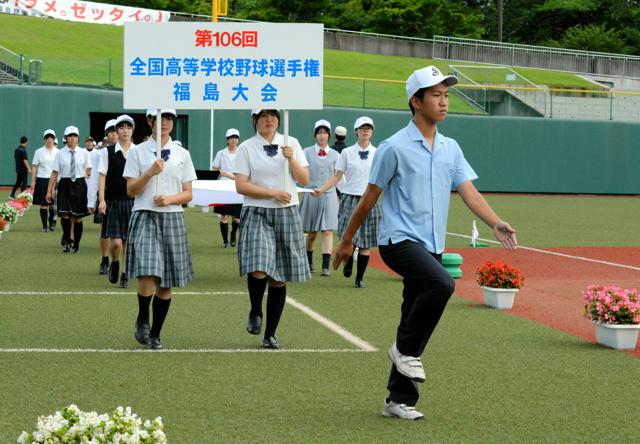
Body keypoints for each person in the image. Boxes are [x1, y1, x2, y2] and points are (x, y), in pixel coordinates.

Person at [334, 66, 518, 421]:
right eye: (436, 95)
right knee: (442, 283)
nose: (444, 101)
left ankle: (398, 400)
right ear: (415, 102)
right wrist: (346, 240)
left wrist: (495, 222)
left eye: (446, 95)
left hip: (430, 245)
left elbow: (468, 191)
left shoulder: (451, 148)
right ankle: (402, 351)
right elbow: (368, 199)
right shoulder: (394, 148)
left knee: (412, 315)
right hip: (398, 241)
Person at [234, 109, 310, 349]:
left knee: (279, 277)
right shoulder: (246, 147)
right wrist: (272, 193)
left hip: (287, 213)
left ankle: (270, 333)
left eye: (273, 115)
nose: (269, 119)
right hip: (257, 210)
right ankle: (256, 310)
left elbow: (304, 179)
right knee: (258, 266)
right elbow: (241, 185)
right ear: (254, 120)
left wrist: (291, 159)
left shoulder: (292, 143)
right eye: (263, 115)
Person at [124, 109, 197, 350]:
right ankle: (143, 318)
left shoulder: (182, 153)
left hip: (172, 217)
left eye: (168, 118)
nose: (164, 123)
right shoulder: (137, 151)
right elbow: (131, 190)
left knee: (167, 280)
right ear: (149, 121)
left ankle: (156, 333)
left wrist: (171, 199)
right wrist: (149, 172)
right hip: (144, 214)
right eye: (158, 118)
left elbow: (188, 192)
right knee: (147, 271)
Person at [314, 116, 380, 288]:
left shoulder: (378, 152)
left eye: (368, 128)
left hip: (370, 199)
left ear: (372, 131)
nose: (365, 131)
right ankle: (348, 262)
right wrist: (321, 189)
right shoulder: (346, 152)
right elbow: (337, 176)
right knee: (347, 237)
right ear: (355, 131)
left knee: (366, 241)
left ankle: (360, 278)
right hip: (349, 198)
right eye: (362, 128)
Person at [98, 115, 136, 289]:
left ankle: (125, 274)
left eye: (128, 127)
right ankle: (114, 261)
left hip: (133, 202)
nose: (125, 131)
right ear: (116, 131)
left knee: (128, 242)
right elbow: (102, 175)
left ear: (132, 130)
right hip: (113, 201)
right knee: (116, 243)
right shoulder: (107, 152)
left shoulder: (138, 151)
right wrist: (101, 200)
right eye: (121, 128)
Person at [299, 119, 339, 276]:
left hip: (329, 196)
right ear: (315, 135)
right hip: (311, 195)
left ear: (329, 135)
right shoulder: (306, 152)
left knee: (328, 231)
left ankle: (325, 266)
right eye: (319, 133)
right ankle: (308, 261)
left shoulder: (336, 154)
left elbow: (338, 176)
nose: (322, 136)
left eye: (325, 133)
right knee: (312, 233)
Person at [46, 126, 91, 253]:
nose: (72, 138)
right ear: (65, 138)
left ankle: (76, 244)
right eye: (70, 136)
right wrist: (49, 191)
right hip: (65, 184)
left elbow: (89, 170)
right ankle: (67, 239)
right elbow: (54, 173)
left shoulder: (84, 152)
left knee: (78, 218)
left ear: (78, 138)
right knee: (64, 216)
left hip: (79, 184)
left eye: (75, 136)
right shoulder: (60, 153)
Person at [93, 120, 119, 274]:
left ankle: (121, 265)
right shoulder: (100, 153)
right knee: (105, 230)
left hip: (124, 196)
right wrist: (94, 199)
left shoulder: (132, 150)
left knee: (123, 235)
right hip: (106, 195)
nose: (114, 134)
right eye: (111, 131)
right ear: (106, 134)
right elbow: (96, 177)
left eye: (116, 130)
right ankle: (104, 259)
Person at [211, 128, 242, 248]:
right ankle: (225, 241)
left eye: (235, 137)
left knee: (236, 217)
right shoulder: (221, 153)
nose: (233, 140)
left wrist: (228, 174)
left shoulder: (242, 152)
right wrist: (221, 173)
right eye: (231, 138)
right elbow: (214, 169)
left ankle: (233, 235)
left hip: (237, 187)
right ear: (227, 139)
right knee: (224, 216)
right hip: (223, 187)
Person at [30, 130, 60, 232]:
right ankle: (44, 226)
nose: (49, 140)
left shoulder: (58, 152)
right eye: (47, 137)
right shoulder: (38, 152)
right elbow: (34, 166)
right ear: (44, 139)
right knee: (43, 204)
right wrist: (33, 180)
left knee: (52, 204)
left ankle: (51, 221)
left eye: (51, 137)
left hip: (55, 180)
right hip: (42, 179)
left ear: (54, 139)